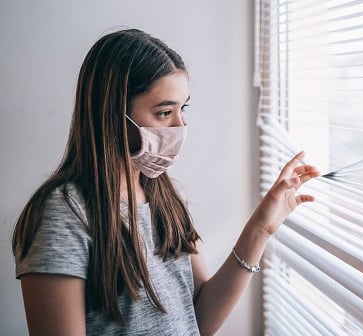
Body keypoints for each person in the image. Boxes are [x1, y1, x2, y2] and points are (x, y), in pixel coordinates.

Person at [12, 28, 319, 335]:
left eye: (182, 108)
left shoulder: (165, 197)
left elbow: (199, 320)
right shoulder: (63, 215)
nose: (180, 125)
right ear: (111, 115)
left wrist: (260, 229)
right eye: (164, 112)